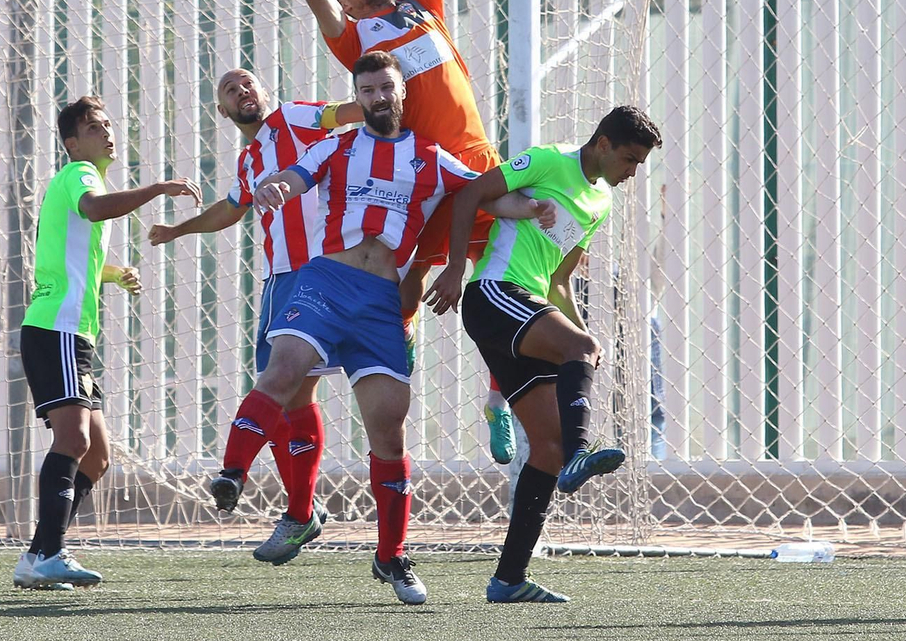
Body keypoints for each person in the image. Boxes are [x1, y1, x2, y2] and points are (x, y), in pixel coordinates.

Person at [208, 52, 546, 605]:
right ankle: (232, 475)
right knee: (283, 371)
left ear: (401, 93)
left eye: (385, 88)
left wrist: (533, 206)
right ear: (358, 98)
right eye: (367, 91)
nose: (378, 98)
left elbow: (484, 192)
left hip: (380, 305)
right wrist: (275, 188)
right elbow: (296, 175)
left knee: (388, 430)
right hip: (326, 281)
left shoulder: (430, 157)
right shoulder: (338, 145)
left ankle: (390, 556)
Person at [265, 0, 516, 464]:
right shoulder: (354, 39)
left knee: (512, 283)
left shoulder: (421, 5)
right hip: (424, 178)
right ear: (345, 3)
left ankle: (499, 398)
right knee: (407, 290)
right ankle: (385, 348)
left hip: (476, 163)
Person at [425, 105, 661, 603]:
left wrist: (581, 339)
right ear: (601, 143)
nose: (632, 172)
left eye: (639, 164)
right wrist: (452, 270)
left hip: (526, 306)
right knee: (579, 370)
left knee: (547, 449)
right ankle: (582, 452)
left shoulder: (601, 204)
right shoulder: (548, 160)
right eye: (629, 159)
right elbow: (470, 194)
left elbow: (558, 281)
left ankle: (508, 578)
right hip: (493, 292)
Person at [149, 69, 363, 565]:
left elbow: (344, 114)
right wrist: (176, 231)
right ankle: (300, 512)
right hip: (281, 280)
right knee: (290, 400)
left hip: (327, 271)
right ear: (222, 112)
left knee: (295, 389)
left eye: (247, 82)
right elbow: (231, 209)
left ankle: (251, 482)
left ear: (265, 92)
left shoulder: (296, 118)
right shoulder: (250, 161)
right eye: (229, 89)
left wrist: (387, 107)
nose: (241, 90)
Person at [13, 96, 201, 590]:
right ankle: (50, 552)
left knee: (95, 456)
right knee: (72, 440)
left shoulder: (80, 180)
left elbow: (72, 257)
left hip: (73, 335)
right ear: (73, 143)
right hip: (55, 329)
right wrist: (158, 188)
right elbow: (95, 208)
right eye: (95, 127)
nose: (107, 133)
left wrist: (113, 274)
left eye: (109, 125)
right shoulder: (80, 175)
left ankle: (38, 554)